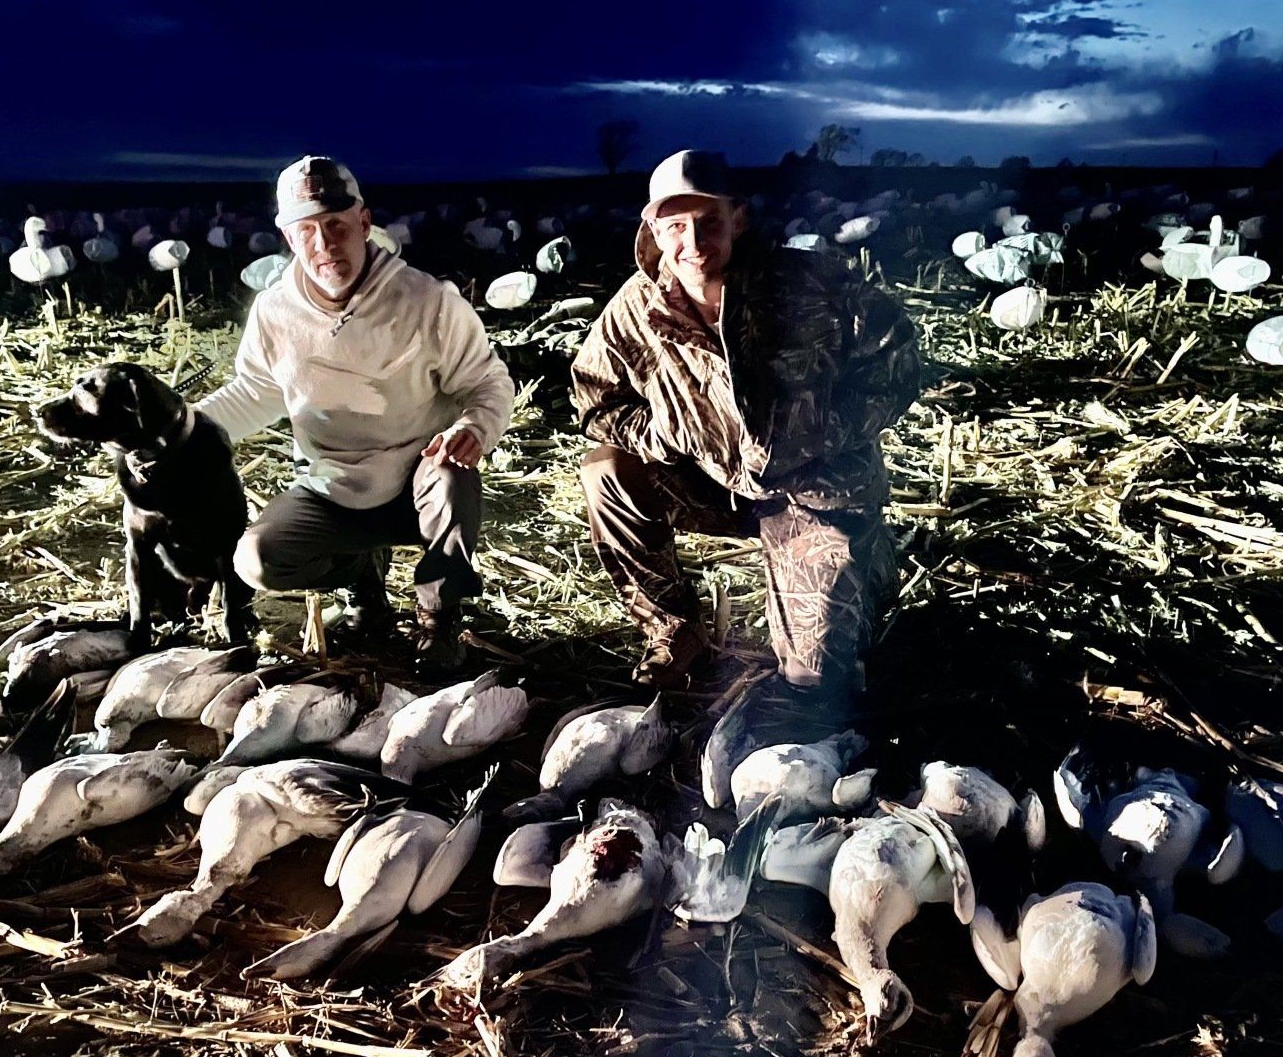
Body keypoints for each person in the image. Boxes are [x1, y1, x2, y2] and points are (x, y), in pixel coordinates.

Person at [570, 149, 921, 721]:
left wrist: (825, 432)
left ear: (738, 217)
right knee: (605, 470)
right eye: (676, 227)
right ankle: (673, 629)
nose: (694, 241)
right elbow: (596, 400)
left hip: (812, 493)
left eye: (709, 221)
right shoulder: (636, 311)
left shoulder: (812, 284)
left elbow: (899, 363)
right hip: (713, 483)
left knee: (813, 683)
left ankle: (870, 561)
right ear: (655, 231)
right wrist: (657, 434)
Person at [198, 156, 514, 670]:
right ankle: (361, 579)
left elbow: (487, 381)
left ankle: (439, 618)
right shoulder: (274, 312)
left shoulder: (428, 301)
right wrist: (181, 433)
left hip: (419, 476)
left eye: (337, 226)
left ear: (364, 223)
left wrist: (474, 427)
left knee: (455, 478)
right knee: (256, 560)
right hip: (331, 484)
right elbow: (256, 391)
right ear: (287, 236)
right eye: (308, 231)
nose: (325, 245)